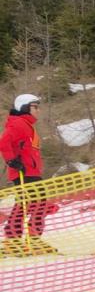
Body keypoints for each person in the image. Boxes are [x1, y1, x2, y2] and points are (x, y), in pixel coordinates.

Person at [0, 93, 55, 254]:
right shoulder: (18, 123)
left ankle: (29, 239)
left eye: (38, 107)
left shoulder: (27, 124)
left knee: (35, 203)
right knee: (30, 203)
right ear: (24, 107)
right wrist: (11, 161)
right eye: (34, 107)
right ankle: (14, 240)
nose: (38, 110)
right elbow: (4, 142)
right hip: (23, 172)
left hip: (31, 171)